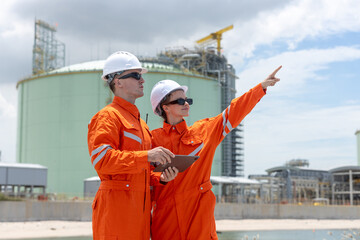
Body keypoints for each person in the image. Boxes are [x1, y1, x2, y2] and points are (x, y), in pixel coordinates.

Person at [149, 66, 282, 240]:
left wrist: (260, 88)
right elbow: (142, 177)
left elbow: (234, 111)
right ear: (165, 107)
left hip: (199, 219)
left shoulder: (204, 130)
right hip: (166, 222)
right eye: (180, 101)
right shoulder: (152, 139)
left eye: (187, 99)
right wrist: (161, 179)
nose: (186, 103)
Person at [87, 51, 179, 240]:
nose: (142, 80)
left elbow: (140, 173)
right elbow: (102, 160)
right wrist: (147, 156)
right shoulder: (108, 117)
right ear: (117, 81)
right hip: (117, 216)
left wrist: (160, 178)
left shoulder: (141, 124)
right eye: (136, 75)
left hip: (140, 217)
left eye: (141, 75)